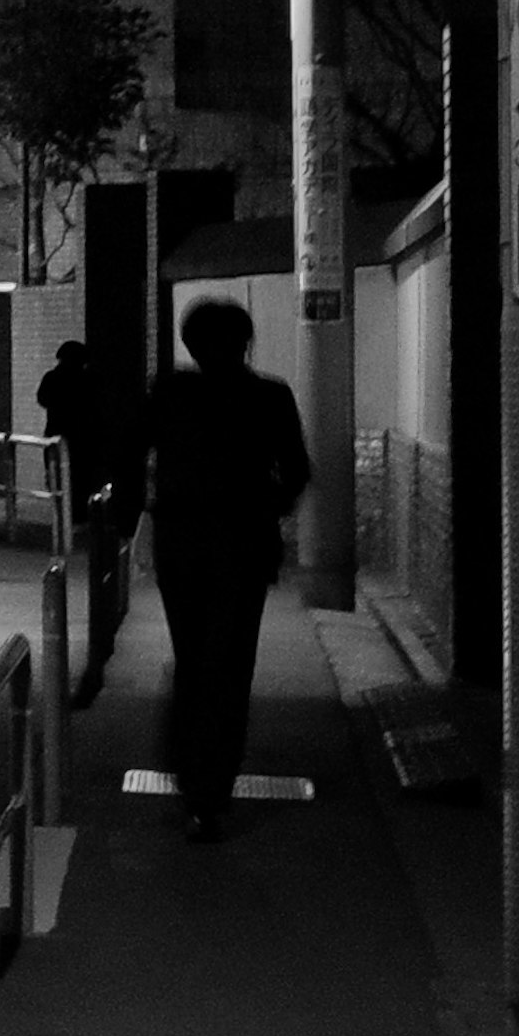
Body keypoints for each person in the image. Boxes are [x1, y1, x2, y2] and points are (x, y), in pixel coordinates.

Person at [141, 295, 311, 842]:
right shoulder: (269, 396)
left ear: (190, 344)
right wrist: (269, 507)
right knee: (233, 663)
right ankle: (214, 785)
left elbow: (131, 449)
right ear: (245, 342)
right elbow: (297, 469)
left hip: (182, 543)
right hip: (244, 544)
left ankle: (195, 780)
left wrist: (148, 504)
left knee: (193, 657)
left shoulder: (169, 392)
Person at [34, 334, 140, 702]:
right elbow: (104, 407)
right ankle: (81, 522)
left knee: (61, 485)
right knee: (86, 486)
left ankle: (65, 522)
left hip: (59, 438)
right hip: (89, 442)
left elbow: (43, 400)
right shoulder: (92, 380)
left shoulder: (53, 378)